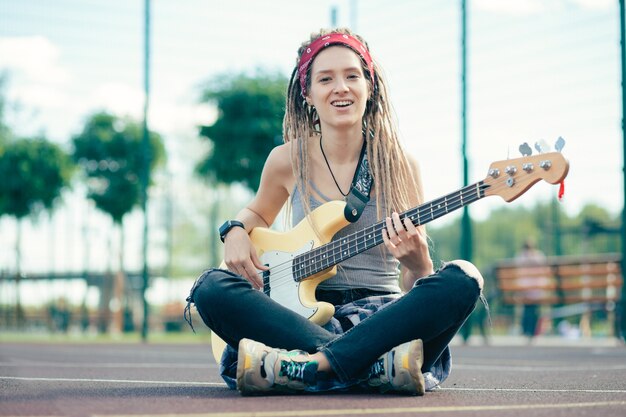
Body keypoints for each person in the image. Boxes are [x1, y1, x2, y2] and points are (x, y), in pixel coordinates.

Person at [185, 28, 484, 396]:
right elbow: (256, 215)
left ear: (369, 86)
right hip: (294, 319)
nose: (340, 87)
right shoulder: (286, 160)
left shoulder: (399, 164)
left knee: (463, 278)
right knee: (210, 288)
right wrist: (233, 230)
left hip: (381, 318)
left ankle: (305, 367)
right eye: (325, 79)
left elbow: (412, 285)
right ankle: (373, 367)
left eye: (351, 76)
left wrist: (420, 265)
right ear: (307, 94)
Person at [515, 239, 548, 342]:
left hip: (525, 290)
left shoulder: (520, 257)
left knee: (527, 309)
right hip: (536, 290)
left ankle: (526, 330)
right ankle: (532, 331)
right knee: (534, 310)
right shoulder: (539, 256)